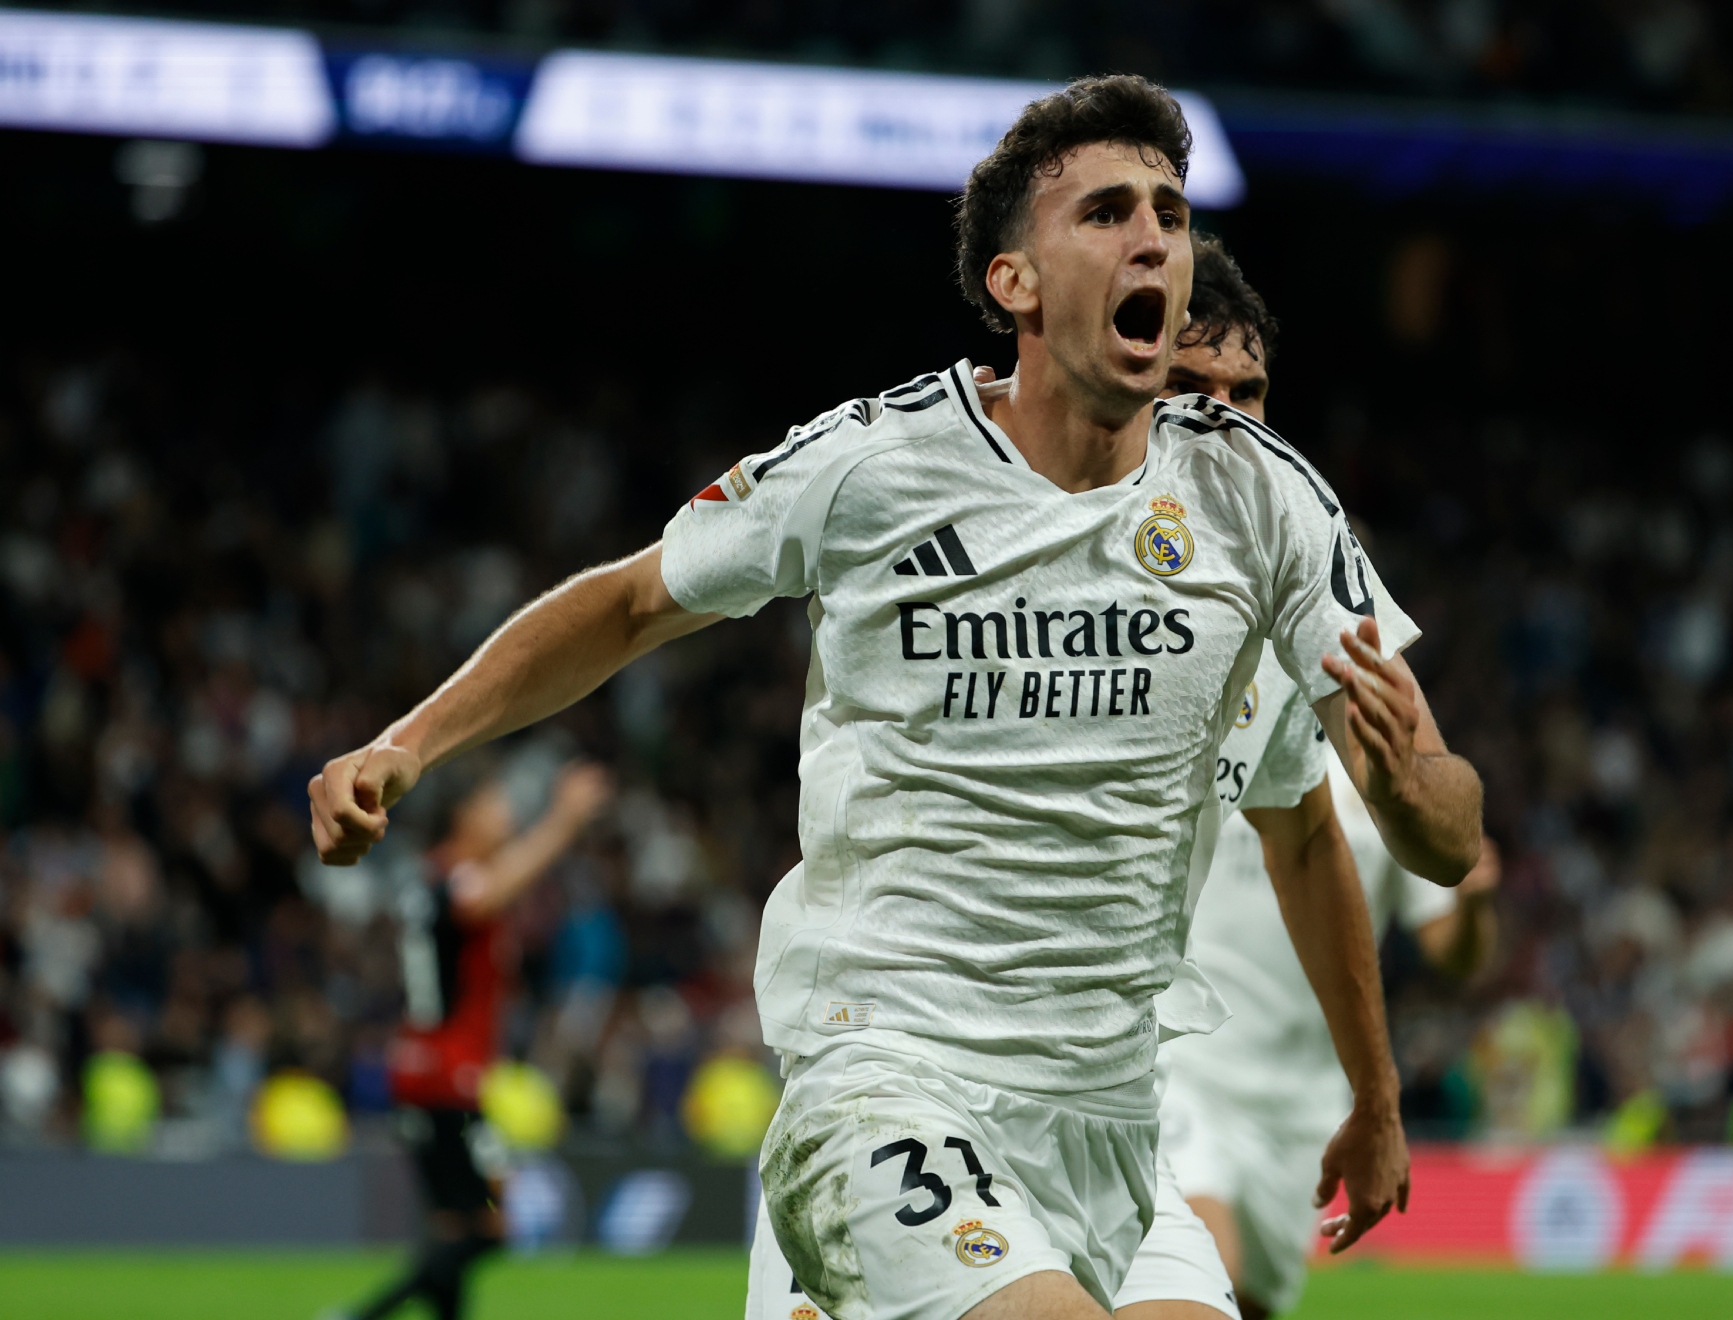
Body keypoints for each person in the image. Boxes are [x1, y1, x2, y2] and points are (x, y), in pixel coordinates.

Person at [310, 74, 1482, 1320]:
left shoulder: (1262, 505)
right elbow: (634, 599)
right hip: (887, 1076)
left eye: (1172, 213)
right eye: (1105, 212)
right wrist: (408, 743)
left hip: (1113, 1128)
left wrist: (1415, 797)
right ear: (1014, 285)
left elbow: (1436, 834)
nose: (1153, 237)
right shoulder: (877, 461)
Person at [1146, 235, 1502, 1319]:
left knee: (1245, 1303)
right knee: (1199, 1287)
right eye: (1189, 387)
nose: (1223, 419)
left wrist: (1377, 1091)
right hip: (1173, 1066)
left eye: (1247, 393)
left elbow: (1430, 909)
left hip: (1298, 1101)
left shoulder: (1306, 709)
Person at [340, 757, 613, 1320]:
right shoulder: (460, 879)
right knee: (494, 1227)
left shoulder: (426, 878)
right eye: (495, 805)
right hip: (449, 1075)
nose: (506, 814)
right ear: (463, 817)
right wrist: (564, 818)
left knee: (450, 1226)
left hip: (420, 1067)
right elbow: (487, 895)